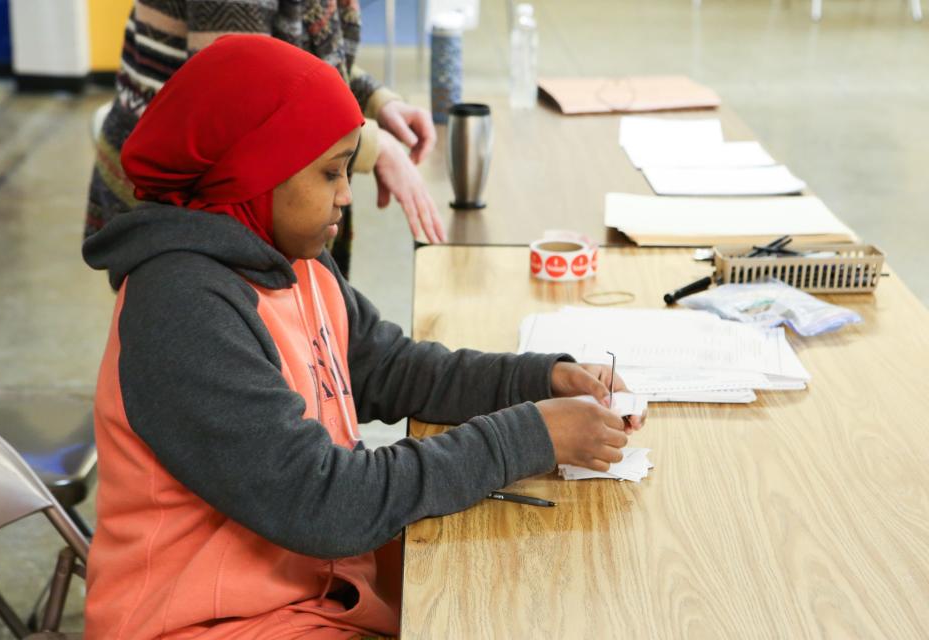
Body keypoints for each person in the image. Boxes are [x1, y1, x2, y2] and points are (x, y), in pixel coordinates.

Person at [82, 35, 641, 639]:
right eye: (329, 172)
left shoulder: (293, 258)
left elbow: (391, 368)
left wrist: (538, 377)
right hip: (208, 623)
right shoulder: (182, 309)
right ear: (255, 169)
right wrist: (528, 435)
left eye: (348, 168)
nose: (347, 193)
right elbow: (322, 501)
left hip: (313, 593)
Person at [85, 0, 446, 277]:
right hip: (179, 209)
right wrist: (373, 145)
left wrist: (376, 100)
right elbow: (238, 95)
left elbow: (297, 58)